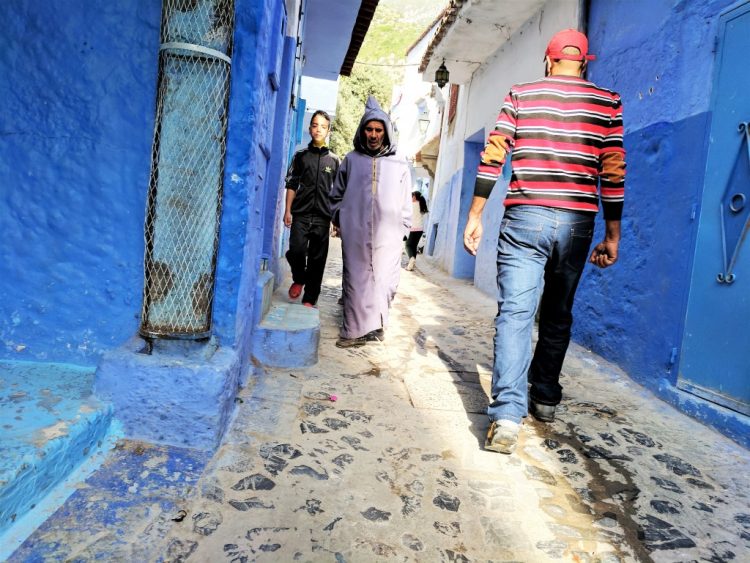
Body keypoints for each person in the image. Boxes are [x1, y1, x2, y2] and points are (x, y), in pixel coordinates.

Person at [462, 29, 626, 454]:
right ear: (584, 63)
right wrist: (613, 234)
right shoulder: (608, 102)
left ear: (548, 61)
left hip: (525, 217)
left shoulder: (521, 94)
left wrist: (476, 214)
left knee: (515, 314)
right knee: (558, 312)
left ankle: (507, 417)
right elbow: (613, 172)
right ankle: (546, 397)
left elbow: (494, 153)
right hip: (577, 223)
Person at [330, 96, 412, 348]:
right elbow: (336, 195)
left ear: (386, 133)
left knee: (385, 281)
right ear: (362, 131)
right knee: (356, 280)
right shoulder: (351, 160)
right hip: (355, 232)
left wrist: (404, 228)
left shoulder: (399, 164)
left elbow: (405, 201)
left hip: (389, 235)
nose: (373, 135)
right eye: (369, 129)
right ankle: (352, 332)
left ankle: (375, 325)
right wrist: (341, 218)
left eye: (378, 130)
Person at [284, 110, 340, 307]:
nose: (318, 129)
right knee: (296, 250)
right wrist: (287, 210)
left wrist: (335, 219)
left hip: (323, 218)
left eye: (323, 126)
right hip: (301, 214)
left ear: (328, 131)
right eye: (315, 125)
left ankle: (309, 298)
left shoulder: (334, 160)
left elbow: (338, 193)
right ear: (310, 129)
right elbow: (291, 184)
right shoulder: (300, 156)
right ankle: (299, 278)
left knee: (318, 260)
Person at [405, 191, 428, 271]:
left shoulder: (412, 205)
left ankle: (411, 259)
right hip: (420, 229)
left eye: (412, 196)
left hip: (412, 228)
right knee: (414, 246)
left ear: (415, 197)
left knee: (408, 245)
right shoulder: (421, 205)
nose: (411, 198)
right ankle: (411, 265)